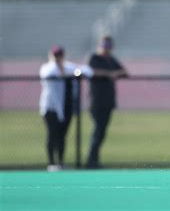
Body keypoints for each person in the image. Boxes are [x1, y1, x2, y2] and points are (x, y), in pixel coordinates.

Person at [39, 45, 92, 171]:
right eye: (55, 55)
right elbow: (48, 73)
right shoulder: (48, 67)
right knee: (52, 134)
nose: (58, 58)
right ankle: (51, 163)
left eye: (59, 55)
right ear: (51, 56)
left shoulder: (68, 66)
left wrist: (76, 72)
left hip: (66, 107)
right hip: (51, 107)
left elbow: (88, 71)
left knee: (62, 135)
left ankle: (60, 162)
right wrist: (62, 69)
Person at [86, 35, 128, 169]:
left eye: (108, 46)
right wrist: (108, 74)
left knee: (102, 131)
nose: (106, 48)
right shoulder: (94, 58)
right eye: (104, 45)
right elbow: (91, 71)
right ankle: (91, 160)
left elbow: (124, 72)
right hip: (97, 101)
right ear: (99, 45)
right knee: (98, 130)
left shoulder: (111, 60)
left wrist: (114, 73)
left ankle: (94, 160)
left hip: (108, 102)